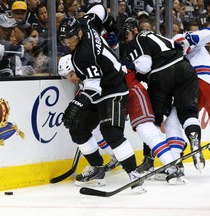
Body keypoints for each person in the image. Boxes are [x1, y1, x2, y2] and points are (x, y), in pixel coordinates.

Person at [58, 4, 146, 193]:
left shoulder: (84, 55)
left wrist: (76, 103)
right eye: (64, 41)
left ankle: (134, 175)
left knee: (111, 132)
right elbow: (98, 8)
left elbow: (93, 87)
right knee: (78, 129)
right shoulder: (86, 22)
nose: (69, 44)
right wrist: (111, 24)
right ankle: (97, 169)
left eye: (71, 40)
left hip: (112, 88)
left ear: (79, 34)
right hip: (100, 88)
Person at [124, 24, 205, 172]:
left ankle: (149, 159)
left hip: (161, 74)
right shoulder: (158, 36)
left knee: (153, 121)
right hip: (185, 68)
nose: (125, 37)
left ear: (134, 30)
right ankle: (194, 141)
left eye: (126, 33)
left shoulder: (139, 39)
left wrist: (135, 73)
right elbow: (179, 48)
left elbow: (145, 66)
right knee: (188, 113)